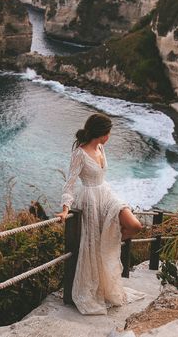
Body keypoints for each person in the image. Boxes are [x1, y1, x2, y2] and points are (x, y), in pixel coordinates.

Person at [56, 113, 143, 315]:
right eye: (109, 132)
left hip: (106, 193)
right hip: (90, 199)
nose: (110, 135)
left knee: (135, 226)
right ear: (102, 134)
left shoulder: (101, 147)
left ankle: (108, 245)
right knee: (92, 244)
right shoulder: (80, 153)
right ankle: (95, 282)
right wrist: (65, 209)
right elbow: (69, 183)